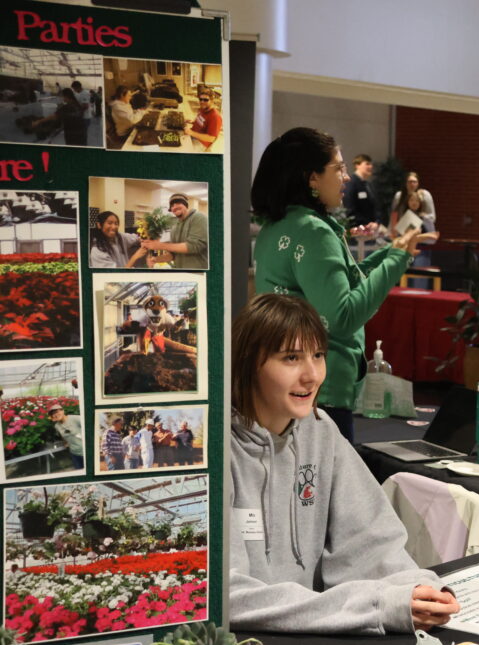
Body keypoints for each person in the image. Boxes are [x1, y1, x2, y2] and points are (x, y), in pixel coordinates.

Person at [229, 293, 460, 633]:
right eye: (291, 358)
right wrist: (377, 607)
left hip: (314, 636)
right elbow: (226, 596)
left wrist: (417, 589)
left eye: (318, 355)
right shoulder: (213, 450)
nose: (312, 375)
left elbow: (371, 543)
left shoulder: (321, 431)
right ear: (249, 364)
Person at [250, 127, 433, 442]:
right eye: (338, 168)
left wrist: (392, 252)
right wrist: (396, 261)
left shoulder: (275, 227)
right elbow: (342, 317)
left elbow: (335, 285)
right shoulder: (314, 232)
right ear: (312, 178)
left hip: (286, 387)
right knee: (325, 489)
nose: (346, 177)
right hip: (320, 392)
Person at [142, 194, 208, 269]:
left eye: (178, 203)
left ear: (186, 205)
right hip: (180, 272)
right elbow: (173, 255)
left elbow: (194, 246)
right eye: (172, 206)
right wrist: (156, 259)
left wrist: (159, 245)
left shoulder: (199, 218)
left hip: (198, 272)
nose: (174, 207)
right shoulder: (175, 227)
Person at [341, 154, 382, 231]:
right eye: (367, 164)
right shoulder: (351, 183)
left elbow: (376, 206)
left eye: (371, 164)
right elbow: (349, 209)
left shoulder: (368, 184)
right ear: (357, 165)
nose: (371, 166)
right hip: (358, 230)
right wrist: (367, 224)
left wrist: (377, 222)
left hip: (372, 228)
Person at [48, 404, 83, 471]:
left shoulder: (76, 418)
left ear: (63, 411)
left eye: (57, 412)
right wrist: (66, 442)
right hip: (74, 454)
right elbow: (63, 436)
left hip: (85, 453)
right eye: (53, 414)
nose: (55, 415)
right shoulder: (57, 426)